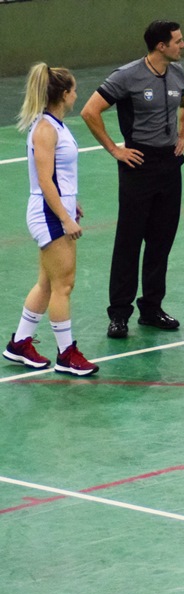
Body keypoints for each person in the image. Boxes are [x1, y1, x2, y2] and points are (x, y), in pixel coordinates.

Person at [80, 19, 184, 339]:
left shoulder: (178, 74)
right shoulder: (127, 76)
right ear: (161, 46)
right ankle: (119, 314)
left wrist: (183, 135)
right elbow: (90, 111)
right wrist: (115, 150)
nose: (183, 45)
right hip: (138, 165)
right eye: (178, 41)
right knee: (129, 242)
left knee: (161, 240)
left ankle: (152, 309)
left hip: (169, 165)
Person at [2, 63, 98, 377]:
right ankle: (67, 355)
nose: (77, 95)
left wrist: (71, 202)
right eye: (74, 90)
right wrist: (64, 217)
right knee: (63, 285)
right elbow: (45, 181)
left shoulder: (56, 125)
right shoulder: (45, 129)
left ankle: (19, 344)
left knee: (46, 283)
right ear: (64, 94)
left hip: (55, 209)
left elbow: (60, 176)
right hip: (49, 215)